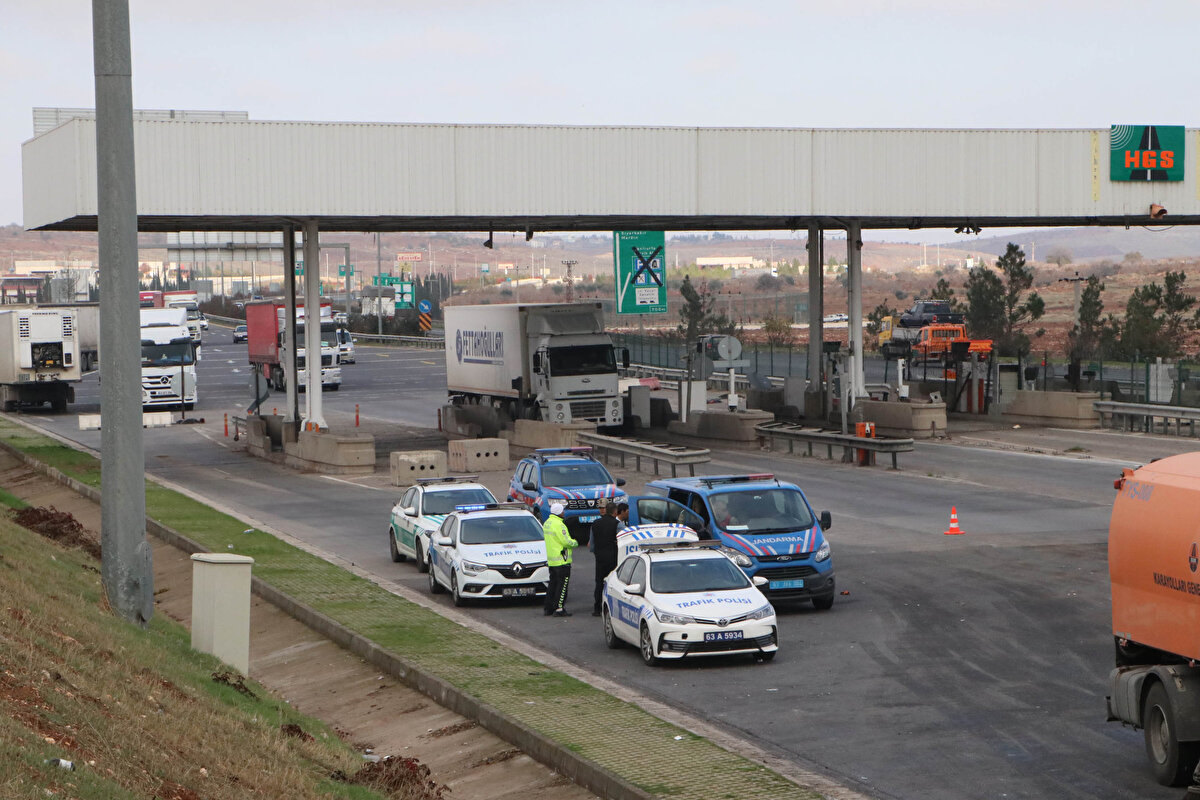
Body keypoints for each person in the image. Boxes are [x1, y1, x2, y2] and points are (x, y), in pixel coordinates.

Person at [542, 502, 578, 617]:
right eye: (562, 510)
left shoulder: (547, 523)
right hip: (562, 561)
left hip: (552, 561)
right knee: (562, 586)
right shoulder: (559, 525)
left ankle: (548, 608)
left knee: (552, 585)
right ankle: (559, 608)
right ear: (558, 512)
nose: (564, 512)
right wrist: (575, 542)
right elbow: (566, 541)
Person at [590, 501, 620, 616]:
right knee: (612, 583)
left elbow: (592, 544)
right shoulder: (617, 524)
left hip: (599, 558)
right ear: (615, 512)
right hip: (613, 558)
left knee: (599, 583)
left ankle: (597, 608)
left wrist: (597, 552)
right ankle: (611, 608)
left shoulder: (595, 523)